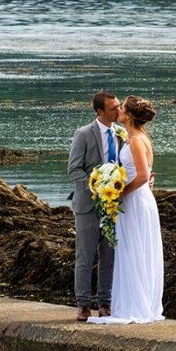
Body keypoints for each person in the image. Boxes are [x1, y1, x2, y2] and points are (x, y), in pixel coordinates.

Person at [89, 95, 164, 324]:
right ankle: (137, 302)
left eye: (121, 107)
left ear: (128, 115)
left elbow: (142, 175)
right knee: (134, 251)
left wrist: (120, 192)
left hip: (136, 202)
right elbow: (147, 173)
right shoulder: (137, 137)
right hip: (139, 199)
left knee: (134, 250)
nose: (118, 110)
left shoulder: (136, 141)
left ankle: (136, 306)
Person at [68, 90, 121, 321]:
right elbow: (74, 169)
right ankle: (82, 305)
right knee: (85, 256)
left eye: (119, 106)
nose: (118, 111)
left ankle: (105, 303)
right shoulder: (83, 134)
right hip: (88, 205)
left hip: (112, 205)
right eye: (113, 108)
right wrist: (95, 186)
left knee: (109, 257)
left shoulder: (120, 133)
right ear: (100, 111)